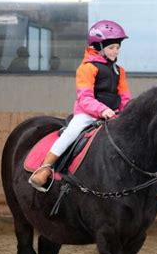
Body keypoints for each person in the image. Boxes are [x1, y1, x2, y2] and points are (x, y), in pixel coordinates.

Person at [28, 20, 131, 192]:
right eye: (112, 47)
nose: (116, 51)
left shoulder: (119, 71)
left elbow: (125, 96)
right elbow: (85, 98)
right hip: (89, 114)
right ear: (99, 46)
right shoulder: (87, 68)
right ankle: (45, 167)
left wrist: (126, 112)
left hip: (114, 114)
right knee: (71, 132)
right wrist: (102, 110)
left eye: (118, 47)